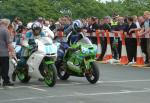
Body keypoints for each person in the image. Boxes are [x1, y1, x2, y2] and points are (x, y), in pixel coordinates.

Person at [0, 19, 15, 86]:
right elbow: (8, 43)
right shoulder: (5, 30)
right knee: (5, 68)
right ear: (7, 24)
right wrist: (12, 51)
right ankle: (6, 81)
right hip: (3, 53)